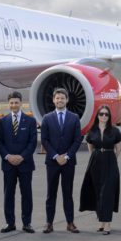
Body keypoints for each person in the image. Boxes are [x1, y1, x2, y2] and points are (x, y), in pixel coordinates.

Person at [41, 88, 82, 233]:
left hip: (68, 162)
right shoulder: (47, 118)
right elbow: (44, 140)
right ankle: (49, 223)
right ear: (53, 100)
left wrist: (66, 156)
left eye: (62, 98)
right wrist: (55, 156)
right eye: (57, 98)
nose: (60, 101)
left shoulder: (74, 118)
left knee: (67, 193)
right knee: (51, 193)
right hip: (52, 162)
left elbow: (77, 140)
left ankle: (70, 222)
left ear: (67, 100)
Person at [79, 105, 121, 234]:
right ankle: (102, 222)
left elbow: (118, 149)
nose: (104, 116)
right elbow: (90, 148)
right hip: (96, 163)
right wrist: (97, 157)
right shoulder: (91, 131)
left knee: (108, 192)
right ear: (97, 115)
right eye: (101, 114)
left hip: (110, 163)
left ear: (109, 116)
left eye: (107, 114)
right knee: (98, 191)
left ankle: (108, 223)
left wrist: (111, 160)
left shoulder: (115, 131)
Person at [0, 92, 37, 233]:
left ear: (21, 103)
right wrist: (8, 156)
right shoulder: (2, 121)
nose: (14, 105)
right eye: (11, 103)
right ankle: (10, 223)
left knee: (26, 194)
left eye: (16, 102)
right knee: (8, 194)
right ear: (8, 104)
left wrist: (22, 156)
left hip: (25, 164)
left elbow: (33, 142)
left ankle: (27, 223)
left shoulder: (30, 121)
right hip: (8, 164)